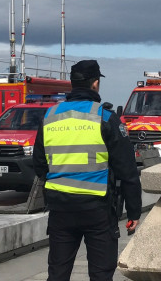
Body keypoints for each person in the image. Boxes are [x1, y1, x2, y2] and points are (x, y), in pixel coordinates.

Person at [33, 60, 142, 281]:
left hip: (60, 207)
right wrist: (133, 213)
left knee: (57, 273)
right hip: (97, 209)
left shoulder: (50, 116)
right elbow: (127, 170)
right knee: (101, 274)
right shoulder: (105, 117)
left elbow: (38, 163)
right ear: (95, 83)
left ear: (72, 84)